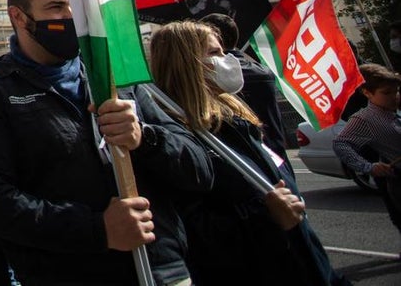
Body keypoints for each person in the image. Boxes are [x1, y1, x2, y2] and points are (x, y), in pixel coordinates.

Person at [0, 0, 213, 286]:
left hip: (162, 270)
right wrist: (97, 229)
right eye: (56, 8)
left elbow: (200, 170)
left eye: (74, 7)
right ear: (19, 17)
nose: (70, 16)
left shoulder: (120, 77)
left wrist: (144, 138)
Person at [150, 20, 348, 285]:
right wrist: (266, 218)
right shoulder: (182, 140)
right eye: (214, 53)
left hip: (307, 266)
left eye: (223, 51)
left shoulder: (237, 120)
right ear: (186, 64)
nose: (227, 59)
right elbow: (195, 233)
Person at [198, 12, 289, 161]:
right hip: (276, 156)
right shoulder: (262, 71)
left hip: (248, 160)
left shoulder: (213, 77)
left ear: (215, 38)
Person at [334, 63, 401, 241]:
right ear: (368, 93)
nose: (394, 97)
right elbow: (341, 144)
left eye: (395, 91)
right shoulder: (365, 119)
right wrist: (368, 167)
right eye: (386, 93)